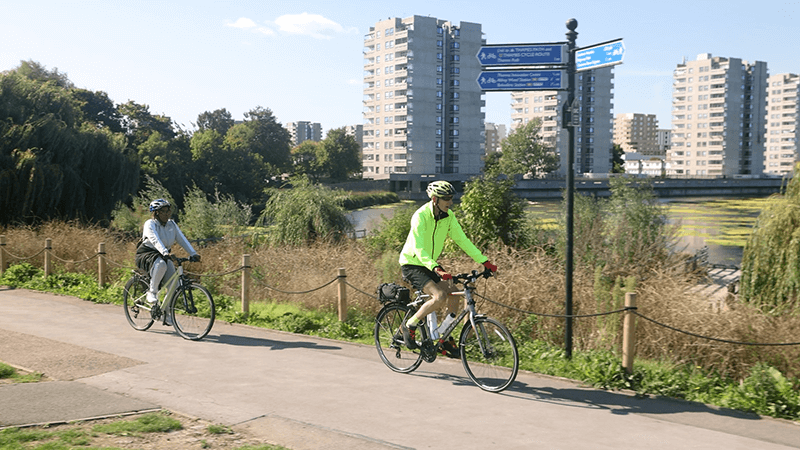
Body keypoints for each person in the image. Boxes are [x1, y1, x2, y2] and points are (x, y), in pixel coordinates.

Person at [398, 180, 497, 354]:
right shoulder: (420, 216)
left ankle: (442, 335)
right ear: (435, 199)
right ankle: (409, 325)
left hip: (431, 264)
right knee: (440, 295)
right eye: (446, 199)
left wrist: (484, 261)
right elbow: (419, 249)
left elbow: (463, 241)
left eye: (451, 198)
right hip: (412, 263)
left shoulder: (448, 216)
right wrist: (436, 268)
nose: (450, 202)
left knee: (454, 295)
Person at [135, 199, 200, 306]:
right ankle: (152, 292)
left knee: (174, 285)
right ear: (156, 213)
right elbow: (155, 240)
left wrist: (193, 253)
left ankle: (166, 313)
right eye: (163, 211)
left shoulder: (171, 224)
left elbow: (182, 239)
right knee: (161, 264)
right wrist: (165, 252)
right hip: (148, 253)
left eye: (168, 211)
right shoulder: (150, 224)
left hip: (164, 254)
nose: (167, 214)